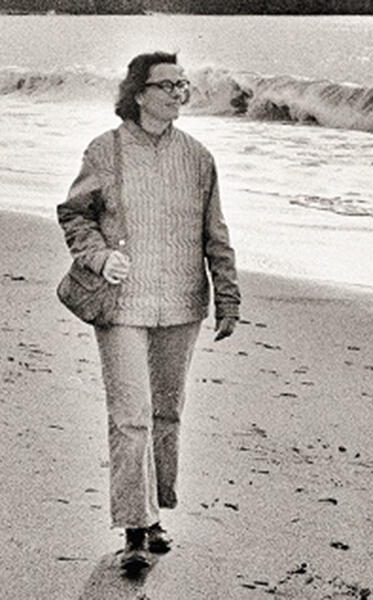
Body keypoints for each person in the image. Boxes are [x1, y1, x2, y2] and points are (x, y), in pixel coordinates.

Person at [56, 51, 240, 572]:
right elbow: (74, 214)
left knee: (165, 415)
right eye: (167, 86)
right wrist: (99, 256)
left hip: (182, 304)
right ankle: (134, 528)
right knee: (131, 417)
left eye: (183, 85)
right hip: (122, 306)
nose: (178, 93)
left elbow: (215, 233)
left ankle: (155, 515)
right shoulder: (106, 151)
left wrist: (227, 296)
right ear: (138, 94)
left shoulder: (199, 157)